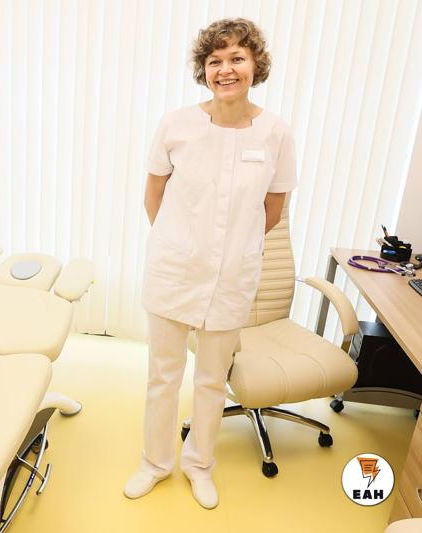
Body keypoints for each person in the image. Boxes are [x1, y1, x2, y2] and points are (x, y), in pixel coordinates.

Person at [124, 18, 297, 509]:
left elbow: (273, 210)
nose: (226, 69)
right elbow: (154, 196)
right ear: (203, 70)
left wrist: (233, 248)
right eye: (215, 60)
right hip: (173, 271)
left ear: (256, 65)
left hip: (233, 276)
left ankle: (199, 465)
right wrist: (182, 243)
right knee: (163, 374)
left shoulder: (276, 133)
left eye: (237, 58)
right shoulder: (177, 124)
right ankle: (155, 463)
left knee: (211, 380)